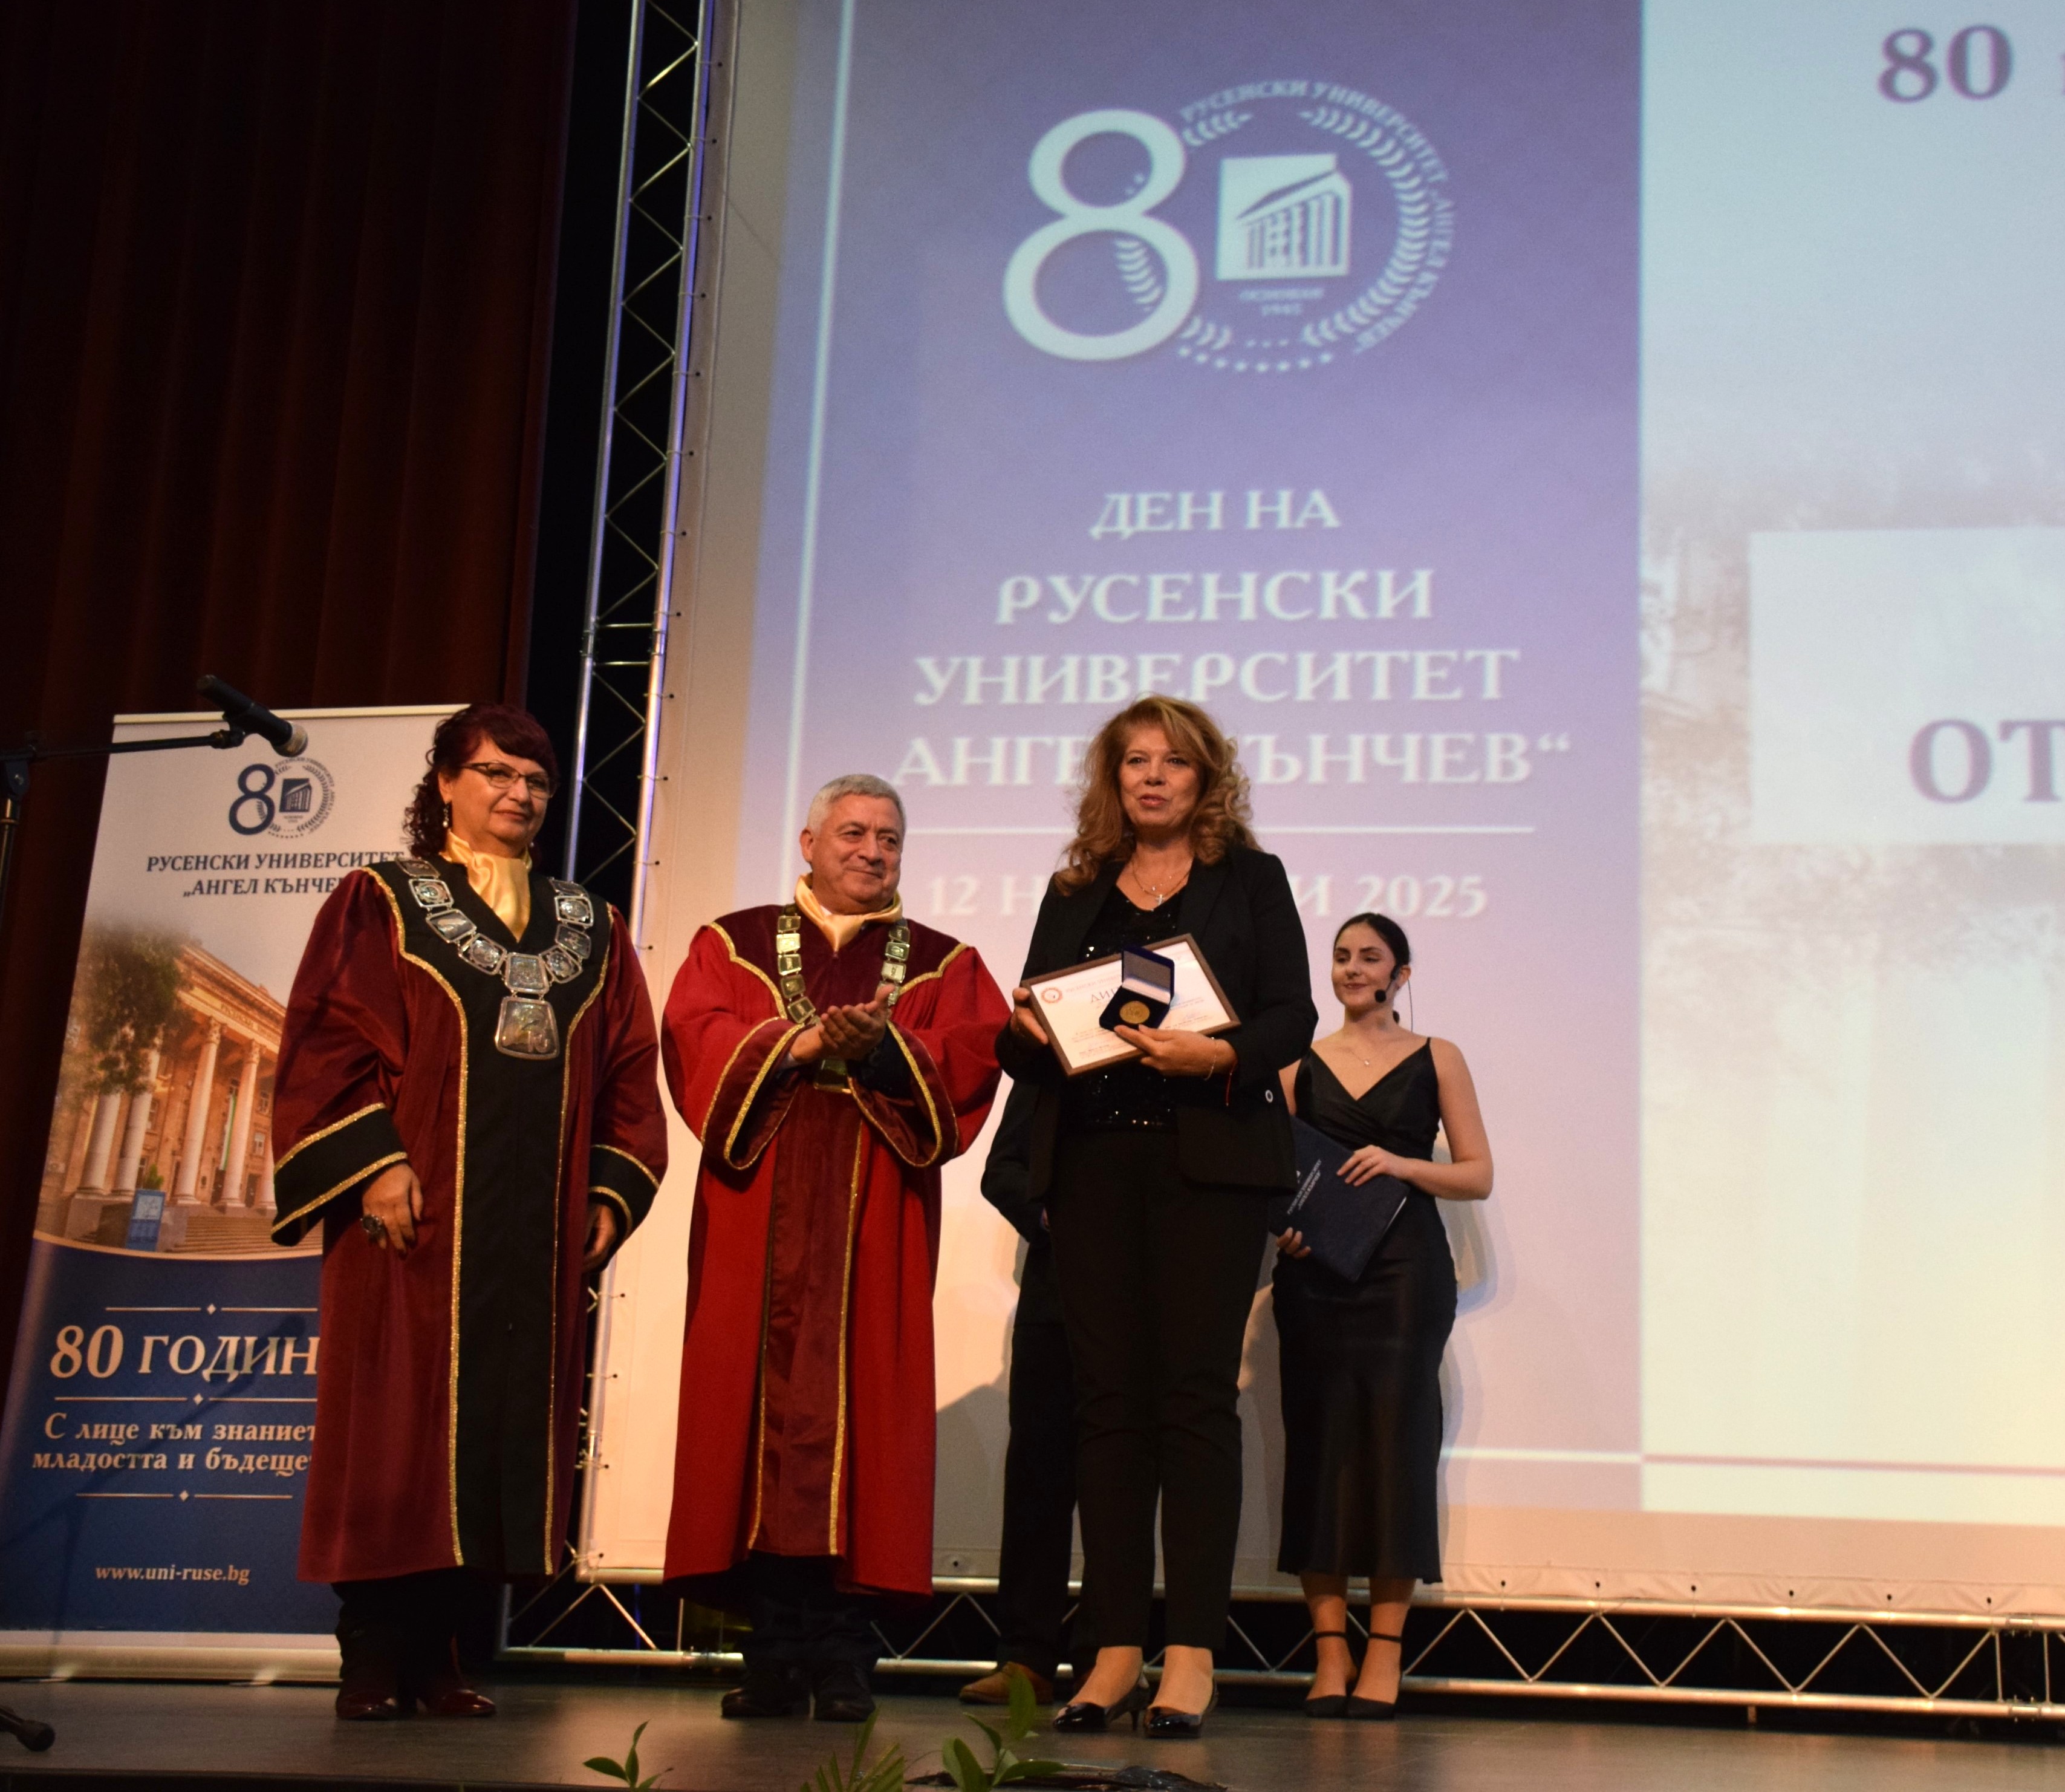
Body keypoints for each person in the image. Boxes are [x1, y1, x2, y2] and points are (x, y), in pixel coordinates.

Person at [270, 703, 667, 1721]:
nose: (518, 793)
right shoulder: (382, 899)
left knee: (495, 1437)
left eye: (535, 779)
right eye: (495, 772)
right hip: (412, 1220)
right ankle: (371, 1657)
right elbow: (327, 1038)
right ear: (445, 783)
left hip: (529, 1235)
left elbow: (629, 1069)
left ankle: (444, 1654)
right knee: (395, 1426)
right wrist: (373, 1164)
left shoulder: (590, 924)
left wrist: (610, 1189)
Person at [997, 697, 1316, 1739]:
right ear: (1112, 778)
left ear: (1206, 777)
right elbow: (1027, 1036)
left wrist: (1217, 1054)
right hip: (1091, 1165)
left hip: (1207, 1167)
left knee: (1192, 1401)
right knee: (1107, 1408)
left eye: (1173, 761)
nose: (1151, 776)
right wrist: (1025, 1026)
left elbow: (1291, 1015)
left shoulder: (1251, 879)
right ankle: (1113, 1649)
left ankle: (1190, 1654)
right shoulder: (1075, 887)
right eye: (1134, 760)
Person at [660, 774, 1007, 1723]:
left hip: (873, 1209)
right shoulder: (730, 941)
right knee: (752, 1414)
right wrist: (800, 1046)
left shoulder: (941, 961)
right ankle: (772, 1651)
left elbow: (971, 1051)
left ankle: (846, 1657)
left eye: (888, 837)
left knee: (867, 1419)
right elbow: (695, 1034)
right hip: (758, 1202)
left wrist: (883, 1049)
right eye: (852, 832)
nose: (871, 850)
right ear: (808, 842)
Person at [1273, 912, 1492, 1721]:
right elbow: (1273, 1175)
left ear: (1401, 973)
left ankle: (1385, 1650)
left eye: (1370, 957)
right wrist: (1284, 1227)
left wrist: (1402, 1163)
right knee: (1319, 1446)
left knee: (1396, 1448)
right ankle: (1329, 1650)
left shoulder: (1439, 1056)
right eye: (1341, 956)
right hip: (1316, 1275)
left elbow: (1476, 1174)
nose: (1352, 968)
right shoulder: (1295, 1064)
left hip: (1405, 1272)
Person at [958, 1079, 1078, 1709]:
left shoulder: (1173, 1062)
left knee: (1127, 1484)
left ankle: (1111, 1656)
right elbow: (1002, 1169)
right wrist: (1051, 1212)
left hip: (1144, 1302)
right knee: (1038, 1480)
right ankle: (1027, 1656)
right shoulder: (1051, 1063)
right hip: (1055, 1299)